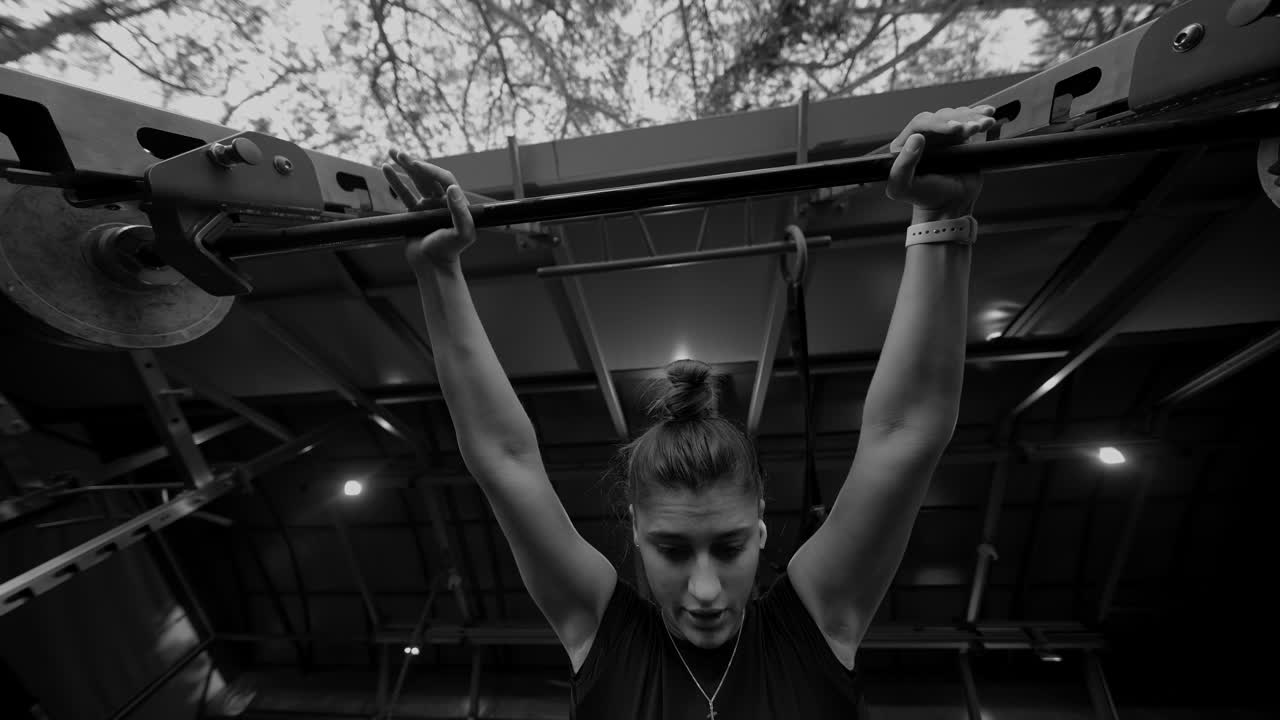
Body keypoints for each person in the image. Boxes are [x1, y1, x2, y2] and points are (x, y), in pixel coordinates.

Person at [382, 104, 997, 719]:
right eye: (672, 551)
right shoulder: (603, 632)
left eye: (728, 548)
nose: (704, 591)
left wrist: (942, 219)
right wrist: (437, 272)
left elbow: (904, 434)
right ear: (635, 535)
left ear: (760, 528)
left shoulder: (818, 619)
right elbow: (504, 458)